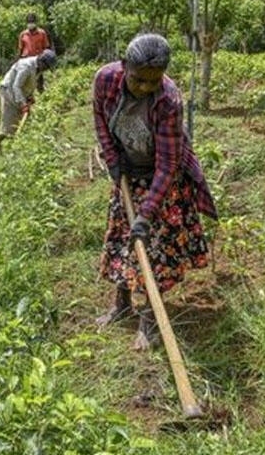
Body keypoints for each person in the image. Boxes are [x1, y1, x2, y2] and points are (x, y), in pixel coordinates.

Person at [92, 33, 217, 350]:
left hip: (163, 178)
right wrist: (112, 160)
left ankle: (149, 320)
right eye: (138, 81)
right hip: (127, 171)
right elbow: (101, 122)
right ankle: (121, 305)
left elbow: (167, 164)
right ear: (124, 67)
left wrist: (147, 213)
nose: (145, 88)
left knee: (153, 246)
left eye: (153, 81)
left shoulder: (169, 100)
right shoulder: (105, 80)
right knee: (122, 238)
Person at [0, 49, 57, 153]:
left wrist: (30, 96)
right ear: (41, 61)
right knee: (9, 122)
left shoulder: (38, 68)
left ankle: (16, 148)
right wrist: (23, 104)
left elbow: (28, 84)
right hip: (8, 91)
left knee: (22, 121)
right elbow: (16, 86)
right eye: (46, 67)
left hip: (19, 93)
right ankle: (2, 150)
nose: (46, 70)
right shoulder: (26, 66)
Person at [18, 12, 52, 93]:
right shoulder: (23, 34)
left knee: (39, 79)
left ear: (35, 22)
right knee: (27, 80)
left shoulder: (42, 33)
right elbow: (20, 48)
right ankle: (28, 97)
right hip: (26, 61)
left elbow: (46, 47)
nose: (30, 24)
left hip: (38, 61)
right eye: (29, 22)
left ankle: (41, 93)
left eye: (32, 22)